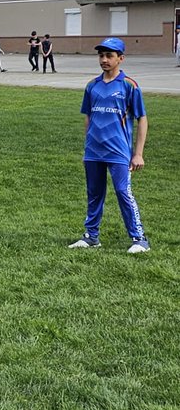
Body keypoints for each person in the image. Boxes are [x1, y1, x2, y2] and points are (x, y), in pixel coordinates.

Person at [69, 38, 150, 254]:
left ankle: (139, 239)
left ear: (120, 59)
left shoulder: (129, 86)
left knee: (123, 192)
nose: (104, 60)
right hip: (94, 152)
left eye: (109, 56)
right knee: (94, 194)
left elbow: (142, 118)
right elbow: (88, 117)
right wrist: (88, 145)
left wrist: (138, 153)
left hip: (119, 152)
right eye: (101, 55)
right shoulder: (92, 86)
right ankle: (91, 236)